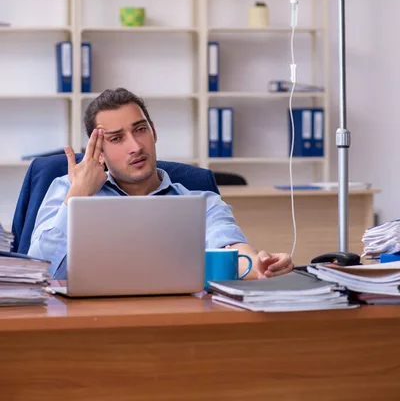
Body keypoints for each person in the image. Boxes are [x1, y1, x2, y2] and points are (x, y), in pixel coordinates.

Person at [29, 88, 294, 280]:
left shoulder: (200, 202)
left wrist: (260, 264)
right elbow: (41, 270)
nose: (135, 146)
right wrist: (78, 197)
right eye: (117, 138)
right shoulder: (69, 189)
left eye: (140, 130)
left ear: (153, 132)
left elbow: (230, 246)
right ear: (98, 152)